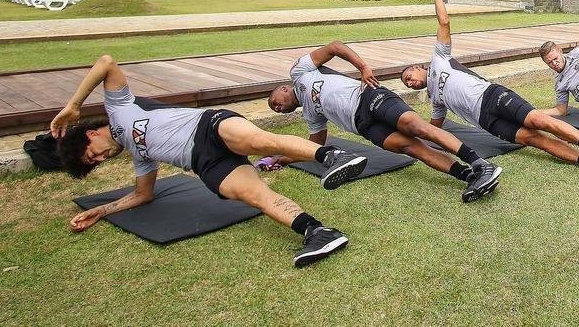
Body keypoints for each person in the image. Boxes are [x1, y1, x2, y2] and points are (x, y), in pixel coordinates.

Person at [51, 55, 366, 267]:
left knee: (259, 142)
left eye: (94, 153)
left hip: (209, 127)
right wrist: (101, 210)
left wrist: (73, 105)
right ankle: (319, 233)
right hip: (205, 163)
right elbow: (143, 194)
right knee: (255, 195)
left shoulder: (119, 109)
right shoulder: (138, 155)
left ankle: (333, 156)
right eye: (97, 163)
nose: (102, 157)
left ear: (92, 134)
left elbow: (106, 62)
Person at [400, 0, 579, 180]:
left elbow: (444, 22)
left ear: (419, 67)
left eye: (408, 75)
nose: (409, 82)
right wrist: (413, 138)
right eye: (406, 83)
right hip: (485, 120)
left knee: (537, 120)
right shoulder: (435, 100)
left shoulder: (439, 58)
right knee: (534, 139)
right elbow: (433, 129)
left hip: (492, 96)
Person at [267, 40, 501, 202]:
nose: (277, 108)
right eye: (275, 110)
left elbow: (334, 47)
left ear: (284, 88)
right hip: (363, 126)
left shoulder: (299, 72)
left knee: (418, 128)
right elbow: (315, 146)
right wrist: (282, 158)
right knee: (413, 148)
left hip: (369, 96)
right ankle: (468, 176)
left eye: (274, 102)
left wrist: (363, 67)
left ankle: (480, 164)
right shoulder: (310, 114)